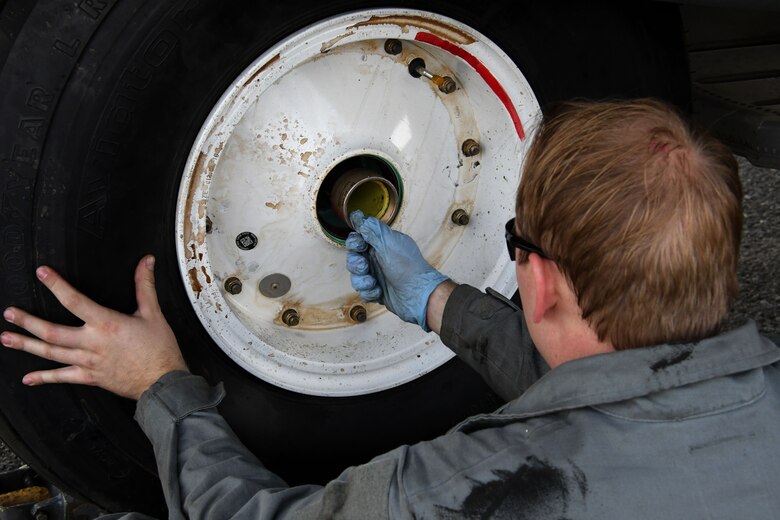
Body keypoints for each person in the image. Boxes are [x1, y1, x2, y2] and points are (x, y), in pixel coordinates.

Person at [2, 98, 779, 519]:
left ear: (536, 283)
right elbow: (612, 384)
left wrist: (159, 385)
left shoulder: (464, 490)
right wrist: (438, 302)